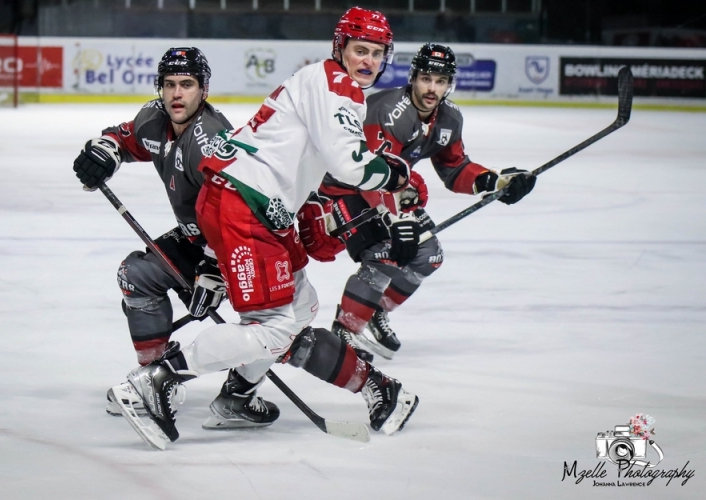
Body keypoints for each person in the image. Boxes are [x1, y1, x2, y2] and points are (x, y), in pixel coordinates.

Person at [107, 7, 419, 447]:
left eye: (376, 53)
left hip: (255, 206)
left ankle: (238, 395)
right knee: (273, 327)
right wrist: (393, 178)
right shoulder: (336, 85)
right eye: (359, 50)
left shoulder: (324, 83)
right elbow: (348, 164)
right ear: (340, 49)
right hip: (247, 207)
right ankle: (157, 380)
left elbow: (331, 162)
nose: (366, 60)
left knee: (302, 307)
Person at [73, 47, 284, 430]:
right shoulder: (155, 119)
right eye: (169, 85)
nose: (176, 94)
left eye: (186, 85)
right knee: (136, 275)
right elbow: (126, 139)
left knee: (273, 325)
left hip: (244, 249)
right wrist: (106, 151)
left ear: (203, 90)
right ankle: (153, 381)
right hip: (199, 242)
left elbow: (238, 214)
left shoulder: (211, 141)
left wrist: (217, 268)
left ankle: (240, 393)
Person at [298, 43, 537, 361]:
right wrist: (397, 221)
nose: (432, 88)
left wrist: (495, 181)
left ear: (449, 84)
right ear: (413, 78)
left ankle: (374, 311)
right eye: (426, 78)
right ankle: (346, 330)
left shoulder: (449, 118)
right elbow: (368, 173)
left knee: (429, 254)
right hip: (340, 190)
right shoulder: (388, 111)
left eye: (440, 81)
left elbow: (455, 169)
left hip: (389, 192)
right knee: (386, 252)